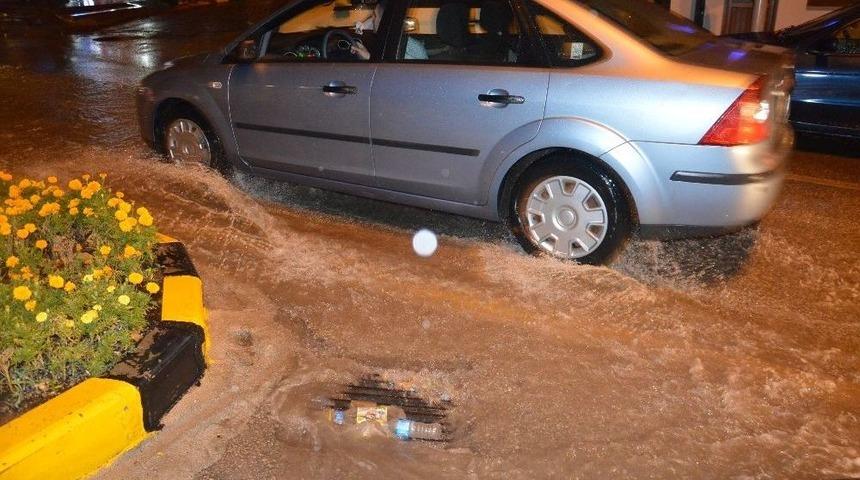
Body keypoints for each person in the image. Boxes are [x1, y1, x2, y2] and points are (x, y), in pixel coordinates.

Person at [350, 0, 428, 60]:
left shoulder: (408, 47)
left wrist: (369, 58)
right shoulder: (391, 42)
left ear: (384, 20)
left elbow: (395, 71)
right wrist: (368, 56)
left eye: (375, 15)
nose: (372, 19)